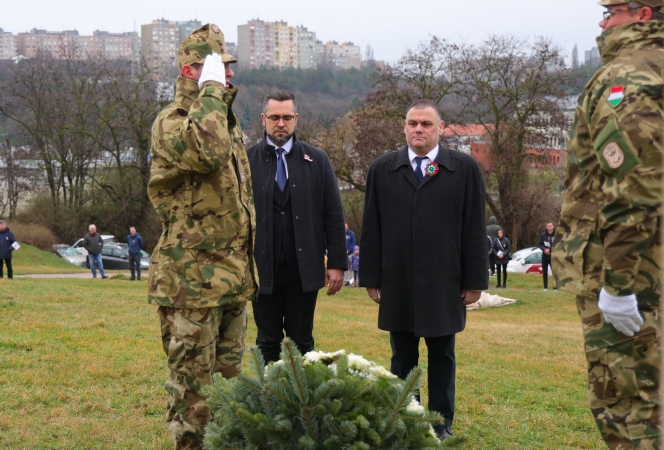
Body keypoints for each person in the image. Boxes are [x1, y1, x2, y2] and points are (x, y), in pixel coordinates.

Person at [552, 1, 664, 448]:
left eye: (612, 11)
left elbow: (633, 187)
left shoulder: (629, 78)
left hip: (636, 279)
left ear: (643, 15)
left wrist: (618, 287)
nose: (602, 23)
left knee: (632, 411)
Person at [146, 23, 258, 450]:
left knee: (230, 394)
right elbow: (206, 152)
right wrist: (211, 91)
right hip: (190, 286)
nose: (228, 76)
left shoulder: (223, 121)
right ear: (193, 70)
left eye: (227, 68)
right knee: (193, 398)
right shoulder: (172, 123)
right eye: (218, 67)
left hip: (230, 281)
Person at [360, 99, 487, 440]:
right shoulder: (383, 169)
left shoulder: (462, 169)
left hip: (444, 281)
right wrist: (371, 276)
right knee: (402, 356)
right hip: (397, 279)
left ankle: (440, 422)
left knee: (442, 355)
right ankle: (406, 417)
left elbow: (474, 227)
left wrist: (475, 280)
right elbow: (371, 227)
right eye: (413, 123)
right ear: (404, 127)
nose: (419, 129)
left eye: (426, 124)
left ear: (440, 128)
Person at [247, 89, 346, 364]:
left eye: (287, 117)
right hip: (261, 269)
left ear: (296, 118)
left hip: (304, 270)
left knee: (302, 342)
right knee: (266, 341)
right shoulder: (246, 161)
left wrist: (337, 262)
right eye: (275, 117)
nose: (281, 123)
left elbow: (333, 215)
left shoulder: (317, 160)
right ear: (263, 118)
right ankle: (270, 400)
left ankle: (300, 404)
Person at [538, 222, 556, 291]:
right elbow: (540, 244)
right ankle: (545, 287)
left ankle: (555, 287)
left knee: (554, 272)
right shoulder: (543, 235)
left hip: (553, 256)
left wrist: (550, 250)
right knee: (545, 272)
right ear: (546, 227)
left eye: (550, 226)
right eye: (548, 226)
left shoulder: (556, 235)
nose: (549, 227)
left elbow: (558, 245)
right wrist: (544, 249)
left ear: (553, 226)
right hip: (544, 256)